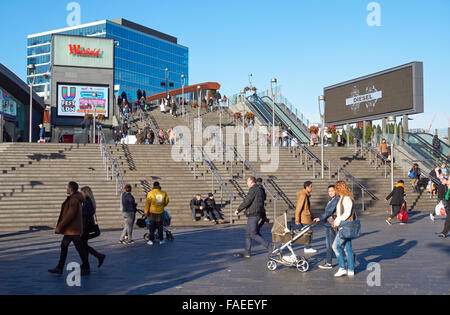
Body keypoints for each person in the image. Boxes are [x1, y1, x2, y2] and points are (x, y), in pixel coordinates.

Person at [48, 182, 90, 276]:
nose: (66, 189)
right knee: (66, 247)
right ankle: (60, 268)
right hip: (71, 230)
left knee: (77, 249)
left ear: (71, 189)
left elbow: (70, 215)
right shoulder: (74, 199)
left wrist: (60, 226)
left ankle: (86, 268)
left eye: (67, 188)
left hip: (72, 229)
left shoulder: (74, 200)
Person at [235, 176, 272, 259]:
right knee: (248, 234)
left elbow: (247, 200)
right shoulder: (260, 189)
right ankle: (247, 253)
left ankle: (270, 247)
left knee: (253, 234)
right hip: (255, 213)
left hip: (254, 214)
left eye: (247, 182)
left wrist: (238, 209)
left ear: (251, 181)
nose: (246, 183)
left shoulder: (253, 189)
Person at [332, 181, 356, 277]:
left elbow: (347, 213)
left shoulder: (346, 198)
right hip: (345, 226)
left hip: (345, 226)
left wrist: (337, 221)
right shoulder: (343, 198)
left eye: (336, 189)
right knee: (347, 248)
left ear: (339, 188)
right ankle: (350, 269)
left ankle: (342, 268)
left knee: (335, 246)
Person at [313, 185, 340, 269]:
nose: (330, 192)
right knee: (331, 244)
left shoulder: (336, 199)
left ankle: (329, 263)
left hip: (331, 224)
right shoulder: (332, 199)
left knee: (331, 244)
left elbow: (329, 212)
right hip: (328, 224)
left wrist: (320, 218)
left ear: (336, 191)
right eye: (329, 191)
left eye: (332, 190)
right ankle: (329, 262)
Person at [80, 186, 106, 267]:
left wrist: (80, 213)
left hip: (86, 226)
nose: (81, 195)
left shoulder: (88, 201)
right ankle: (90, 261)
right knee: (83, 245)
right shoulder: (88, 201)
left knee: (83, 245)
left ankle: (90, 261)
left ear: (86, 193)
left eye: (82, 193)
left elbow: (88, 213)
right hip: (86, 225)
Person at [295, 181, 317, 253]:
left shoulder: (305, 194)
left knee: (307, 232)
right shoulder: (303, 195)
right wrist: (297, 219)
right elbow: (298, 207)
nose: (312, 188)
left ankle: (307, 247)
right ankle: (307, 248)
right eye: (311, 186)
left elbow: (306, 208)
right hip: (304, 218)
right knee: (308, 233)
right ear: (307, 187)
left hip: (306, 217)